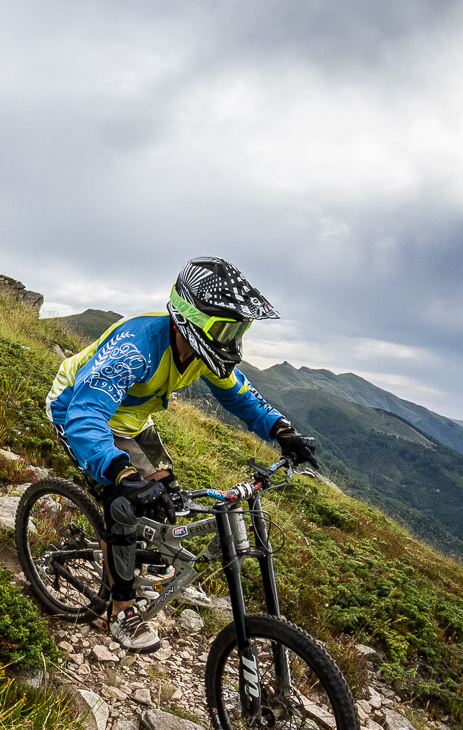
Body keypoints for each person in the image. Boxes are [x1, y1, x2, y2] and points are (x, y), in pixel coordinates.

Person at [45, 257, 319, 653]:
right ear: (191, 317)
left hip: (132, 420)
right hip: (78, 410)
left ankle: (139, 555)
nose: (232, 339)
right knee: (123, 500)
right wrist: (121, 474)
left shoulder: (200, 351)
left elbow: (241, 397)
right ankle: (120, 609)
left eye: (238, 329)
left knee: (166, 492)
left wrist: (283, 431)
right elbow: (84, 415)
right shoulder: (137, 348)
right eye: (226, 327)